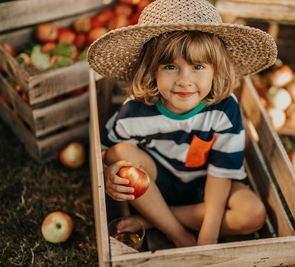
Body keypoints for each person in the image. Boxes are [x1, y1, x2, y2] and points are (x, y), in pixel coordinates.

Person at [87, 0, 277, 247]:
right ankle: (179, 235)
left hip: (207, 186)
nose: (184, 81)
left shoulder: (224, 109)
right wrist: (108, 172)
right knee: (120, 154)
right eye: (170, 66)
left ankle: (152, 221)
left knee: (253, 213)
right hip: (156, 185)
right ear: (151, 70)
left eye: (198, 66)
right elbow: (106, 151)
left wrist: (209, 234)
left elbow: (220, 173)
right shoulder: (135, 111)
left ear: (215, 69)